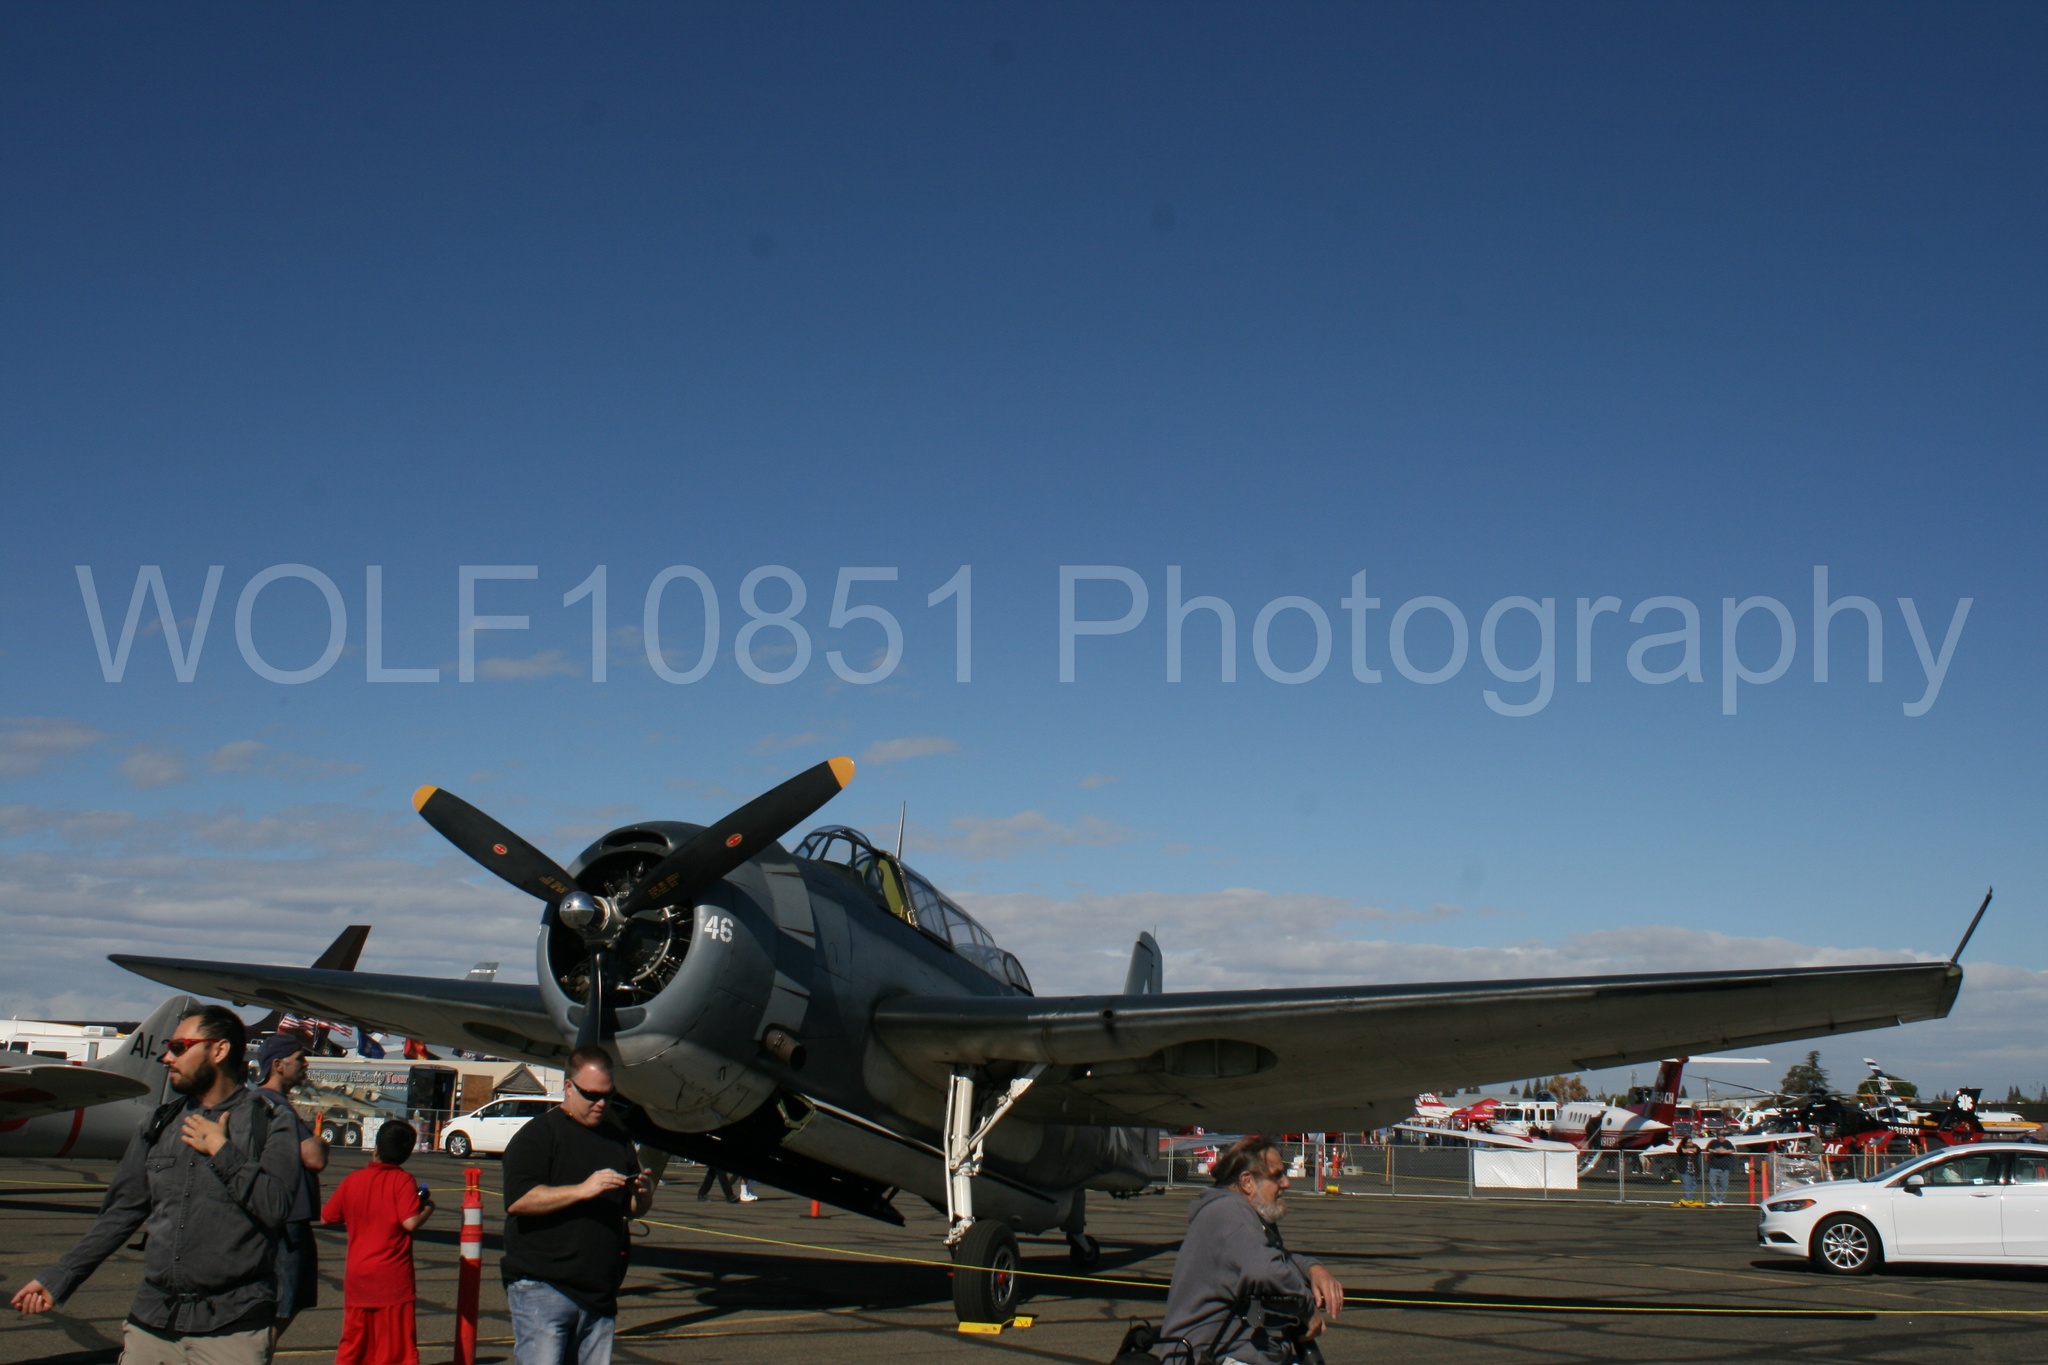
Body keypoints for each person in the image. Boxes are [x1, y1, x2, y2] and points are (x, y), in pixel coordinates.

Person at [10, 1005, 302, 1365]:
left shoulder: (270, 1120)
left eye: (179, 1047)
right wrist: (60, 1276)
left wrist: (222, 1151)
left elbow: (275, 1207)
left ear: (219, 1050)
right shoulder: (159, 1123)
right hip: (153, 1322)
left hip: (232, 1326)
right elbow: (120, 1214)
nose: (167, 1057)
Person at [501, 1048, 652, 1365]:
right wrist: (583, 1190)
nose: (601, 1104)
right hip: (543, 1286)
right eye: (592, 1095)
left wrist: (643, 1196)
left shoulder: (616, 1140)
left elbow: (631, 1210)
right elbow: (519, 1200)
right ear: (569, 1087)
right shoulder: (540, 1135)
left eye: (608, 1096)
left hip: (599, 1293)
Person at [1157, 1135, 1344, 1365]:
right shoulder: (1229, 1211)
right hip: (1208, 1356)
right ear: (1247, 1182)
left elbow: (1271, 1256)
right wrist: (1306, 1308)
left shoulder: (1242, 1213)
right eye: (1276, 1176)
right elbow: (1263, 1268)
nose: (1286, 1183)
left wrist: (1313, 1268)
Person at [323, 1120, 434, 1365]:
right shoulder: (402, 1181)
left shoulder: (353, 1180)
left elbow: (329, 1215)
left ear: (376, 1148)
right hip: (392, 1276)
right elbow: (409, 1222)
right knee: (395, 1344)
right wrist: (428, 1208)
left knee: (354, 1341)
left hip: (358, 1274)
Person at [252, 1032, 329, 1346]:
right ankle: (256, 1354)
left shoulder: (264, 1102)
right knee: (286, 1298)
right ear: (278, 1065)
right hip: (287, 1217)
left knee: (287, 1297)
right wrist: (320, 1142)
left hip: (277, 1214)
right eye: (299, 1059)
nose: (305, 1063)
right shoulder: (275, 1106)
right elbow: (313, 1158)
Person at [1703, 1133, 1738, 1206]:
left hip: (1725, 1167)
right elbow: (1709, 1149)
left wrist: (1723, 1151)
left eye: (1722, 1136)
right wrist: (1716, 1151)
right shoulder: (1713, 1142)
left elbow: (1731, 1150)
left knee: (1724, 1185)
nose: (1721, 1137)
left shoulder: (1728, 1143)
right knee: (1712, 1183)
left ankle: (1721, 1200)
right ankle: (1714, 1199)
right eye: (1720, 1136)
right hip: (1714, 1166)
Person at [1673, 1135, 1702, 1206]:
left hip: (1694, 1169)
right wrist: (1689, 1150)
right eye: (1688, 1142)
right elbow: (1682, 1151)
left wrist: (1690, 1150)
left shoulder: (1695, 1146)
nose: (1690, 1143)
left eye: (1691, 1141)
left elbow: (1697, 1150)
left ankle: (1690, 1198)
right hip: (1685, 1169)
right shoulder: (1680, 1147)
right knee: (1687, 1185)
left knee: (1693, 1184)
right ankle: (1688, 1199)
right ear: (1685, 1143)